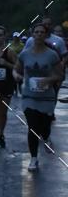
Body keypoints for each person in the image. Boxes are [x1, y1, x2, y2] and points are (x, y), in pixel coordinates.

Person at [13, 24, 63, 171]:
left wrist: (48, 80)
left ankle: (46, 137)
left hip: (47, 97)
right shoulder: (25, 54)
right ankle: (34, 159)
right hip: (29, 96)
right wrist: (16, 76)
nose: (39, 34)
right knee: (33, 127)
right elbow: (16, 69)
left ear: (46, 35)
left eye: (42, 32)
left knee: (44, 127)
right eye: (36, 32)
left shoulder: (52, 55)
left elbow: (60, 75)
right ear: (32, 34)